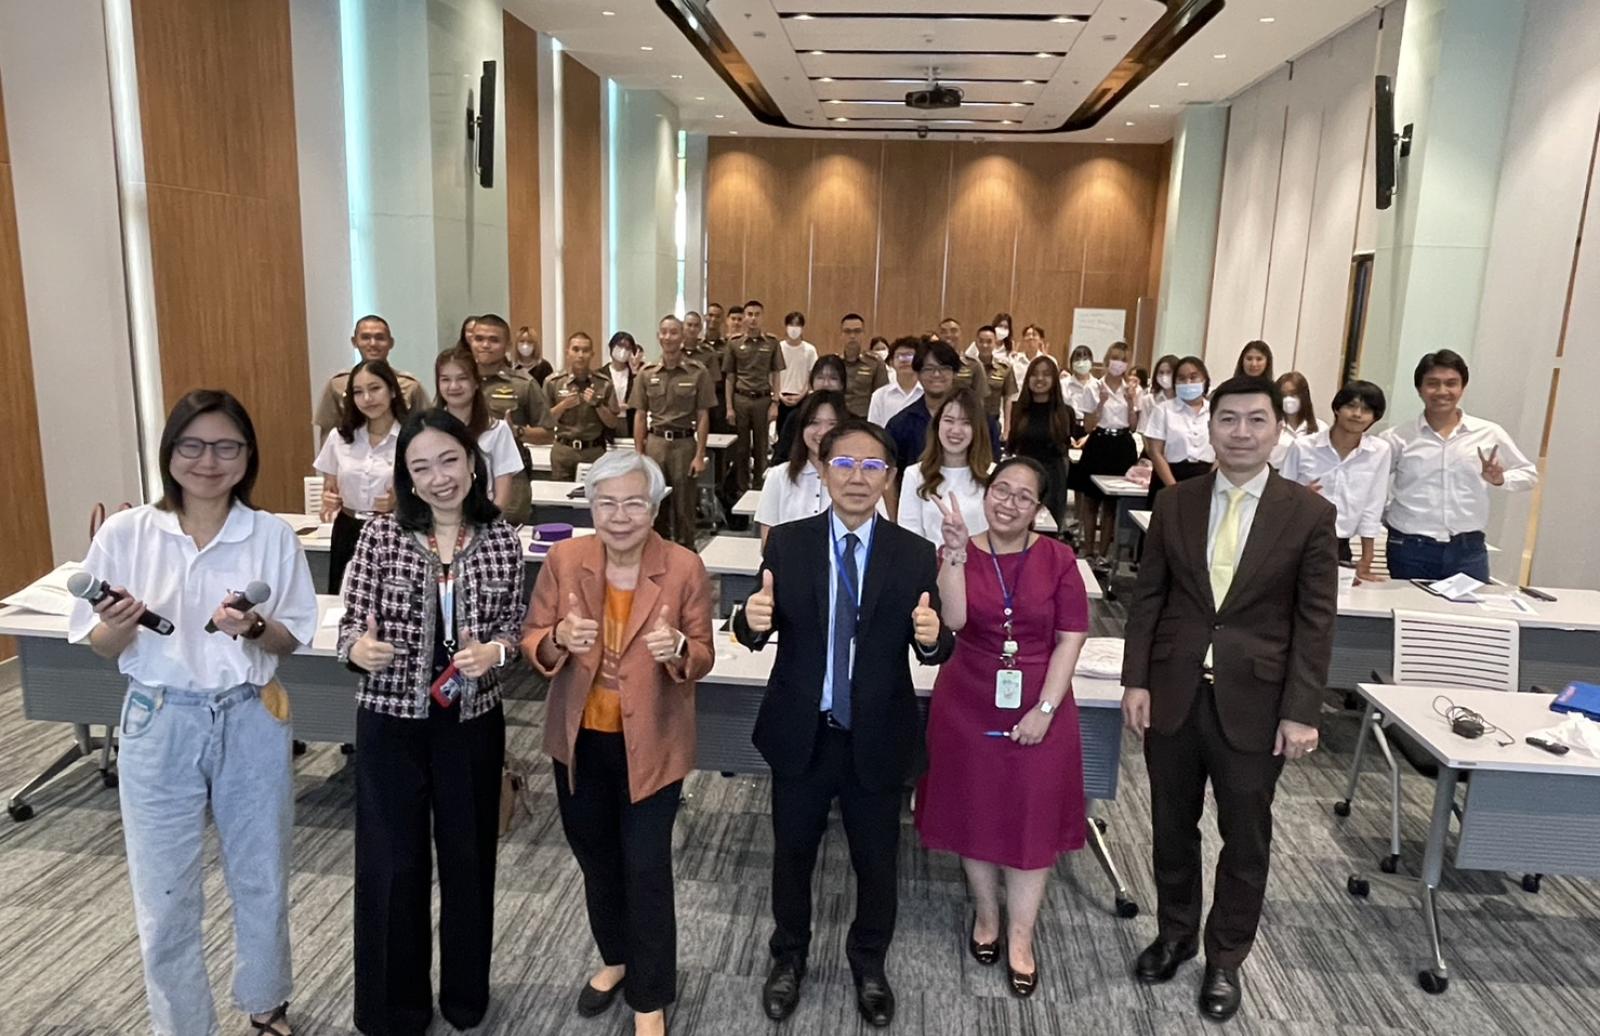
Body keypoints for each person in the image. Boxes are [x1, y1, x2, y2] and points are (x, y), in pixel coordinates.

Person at [69, 390, 317, 1036]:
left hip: (250, 715)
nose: (209, 462)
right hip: (159, 720)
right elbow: (101, 646)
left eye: (226, 447)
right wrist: (120, 624)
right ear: (170, 451)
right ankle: (182, 1026)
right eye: (193, 446)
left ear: (248, 455)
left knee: (261, 872)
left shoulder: (270, 535)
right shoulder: (127, 534)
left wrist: (252, 626)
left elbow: (290, 638)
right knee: (165, 890)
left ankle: (265, 1001)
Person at [1120, 376, 1336, 1024]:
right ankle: (1176, 934)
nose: (1241, 433)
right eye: (1229, 420)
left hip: (1258, 702)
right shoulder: (1175, 503)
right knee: (1170, 827)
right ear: (1210, 428)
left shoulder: (1308, 514)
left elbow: (1315, 621)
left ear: (1278, 430)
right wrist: (1136, 680)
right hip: (1174, 691)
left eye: (1256, 420)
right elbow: (1149, 598)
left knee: (1245, 838)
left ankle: (1225, 957)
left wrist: (1301, 710)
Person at [732, 419, 953, 1029]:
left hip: (876, 733)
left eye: (872, 466)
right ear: (824, 471)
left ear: (889, 478)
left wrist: (932, 640)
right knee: (792, 855)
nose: (858, 477)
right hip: (804, 732)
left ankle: (869, 962)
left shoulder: (912, 552)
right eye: (845, 464)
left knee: (876, 861)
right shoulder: (789, 543)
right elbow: (756, 625)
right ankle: (789, 957)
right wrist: (749, 621)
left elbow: (935, 642)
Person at [338, 409, 526, 1036]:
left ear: (472, 461)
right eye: (421, 467)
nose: (439, 477)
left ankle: (466, 997)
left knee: (469, 860)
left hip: (470, 721)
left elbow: (515, 628)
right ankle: (395, 1008)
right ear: (407, 477)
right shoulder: (381, 535)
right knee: (392, 864)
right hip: (390, 720)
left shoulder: (500, 538)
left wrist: (495, 652)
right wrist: (358, 650)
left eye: (449, 460)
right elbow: (349, 624)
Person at [522, 452, 714, 1036]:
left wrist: (679, 648)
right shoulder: (565, 559)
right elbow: (534, 639)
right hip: (580, 740)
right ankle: (616, 957)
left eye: (634, 503)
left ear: (654, 508)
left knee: (646, 866)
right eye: (607, 503)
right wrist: (557, 638)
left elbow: (703, 654)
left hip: (652, 743)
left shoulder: (682, 567)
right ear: (592, 508)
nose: (621, 516)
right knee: (596, 858)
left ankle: (650, 994)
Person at [916, 456, 1090, 998]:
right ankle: (986, 915)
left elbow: (1071, 637)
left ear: (1039, 509)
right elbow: (955, 621)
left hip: (1040, 698)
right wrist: (953, 553)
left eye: (1023, 496)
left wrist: (1045, 709)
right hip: (967, 700)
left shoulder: (1059, 559)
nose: (1009, 503)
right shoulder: (960, 550)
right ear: (986, 493)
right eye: (1001, 490)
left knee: (1031, 820)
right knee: (975, 812)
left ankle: (1021, 935)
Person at [1381, 349, 1536, 582]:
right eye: (1433, 383)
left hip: (1468, 550)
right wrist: (1388, 515)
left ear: (1463, 387)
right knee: (1410, 606)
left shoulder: (1488, 433)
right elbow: (1371, 482)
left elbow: (1529, 475)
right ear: (1419, 389)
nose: (1442, 391)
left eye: (1451, 383)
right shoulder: (1397, 437)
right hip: (1410, 548)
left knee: (1470, 607)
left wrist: (1500, 479)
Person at [1282, 380, 1391, 581]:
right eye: (1351, 406)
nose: (1357, 414)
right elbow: (1279, 497)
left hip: (1340, 546)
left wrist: (1367, 556)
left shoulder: (1379, 451)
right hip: (1297, 541)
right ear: (1337, 408)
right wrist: (1300, 496)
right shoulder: (1303, 447)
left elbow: (1373, 506)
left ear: (1375, 417)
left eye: (1366, 410)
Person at [315, 359, 407, 592]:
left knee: (391, 598)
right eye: (358, 392)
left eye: (375, 388)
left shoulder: (411, 437)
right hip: (348, 528)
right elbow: (330, 488)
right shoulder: (340, 437)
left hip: (393, 528)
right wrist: (328, 499)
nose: (367, 398)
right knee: (343, 597)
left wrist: (399, 501)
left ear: (392, 390)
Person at [629, 314, 715, 549]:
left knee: (684, 507)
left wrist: (700, 455)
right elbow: (639, 415)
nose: (668, 337)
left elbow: (703, 415)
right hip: (655, 443)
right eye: (664, 332)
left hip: (684, 445)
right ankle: (657, 553)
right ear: (658, 336)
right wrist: (639, 454)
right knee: (656, 505)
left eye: (674, 332)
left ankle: (686, 554)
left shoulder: (697, 372)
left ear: (683, 336)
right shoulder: (646, 373)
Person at [434, 345, 527, 515]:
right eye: (445, 380)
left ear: (476, 382)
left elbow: (502, 495)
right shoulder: (428, 431)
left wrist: (485, 524)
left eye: (462, 378)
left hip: (482, 520)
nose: (453, 386)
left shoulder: (497, 430)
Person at [897, 389, 991, 546]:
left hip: (981, 561)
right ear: (937, 424)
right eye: (949, 420)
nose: (955, 430)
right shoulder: (915, 474)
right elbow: (909, 536)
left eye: (966, 423)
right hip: (931, 561)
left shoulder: (994, 474)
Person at [1078, 341, 1142, 566]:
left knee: (1111, 503)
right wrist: (1100, 404)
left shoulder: (1132, 390)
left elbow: (1133, 426)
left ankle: (1103, 553)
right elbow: (1088, 426)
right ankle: (1088, 550)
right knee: (1091, 500)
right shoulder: (1093, 387)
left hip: (1122, 444)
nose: (1118, 363)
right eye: (1115, 358)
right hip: (1099, 441)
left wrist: (1131, 402)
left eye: (1123, 359)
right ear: (1106, 360)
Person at [314, 315, 429, 438]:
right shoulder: (337, 384)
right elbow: (327, 430)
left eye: (380, 338)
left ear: (391, 343)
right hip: (352, 447)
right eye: (365, 338)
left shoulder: (410, 385)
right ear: (354, 342)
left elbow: (426, 428)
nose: (373, 344)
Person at [756, 390, 847, 545]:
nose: (823, 432)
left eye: (832, 424)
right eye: (814, 422)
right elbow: (768, 543)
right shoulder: (778, 476)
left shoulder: (855, 477)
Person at [723, 299, 785, 499]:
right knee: (741, 449)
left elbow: (776, 374)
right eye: (749, 314)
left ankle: (760, 490)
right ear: (744, 317)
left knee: (761, 447)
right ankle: (742, 490)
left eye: (757, 314)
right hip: (741, 399)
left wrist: (775, 403)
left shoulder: (772, 343)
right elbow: (730, 377)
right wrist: (729, 407)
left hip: (763, 400)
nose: (753, 319)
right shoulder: (734, 343)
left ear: (762, 317)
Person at [543, 331, 624, 481]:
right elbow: (545, 421)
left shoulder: (604, 383)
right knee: (560, 494)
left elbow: (613, 423)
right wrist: (563, 406)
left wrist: (597, 404)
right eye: (575, 350)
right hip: (564, 452)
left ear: (592, 354)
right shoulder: (553, 382)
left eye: (585, 351)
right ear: (567, 352)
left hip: (593, 452)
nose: (580, 355)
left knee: (594, 493)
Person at [1007, 356, 1074, 531]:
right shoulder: (1018, 409)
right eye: (1035, 374)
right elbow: (1012, 445)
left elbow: (1064, 450)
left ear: (1054, 380)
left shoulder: (1065, 412)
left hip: (1053, 479)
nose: (1039, 379)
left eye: (1046, 374)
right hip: (1023, 476)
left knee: (1047, 532)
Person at [471, 313, 553, 453]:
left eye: (494, 340)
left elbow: (548, 435)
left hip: (508, 462)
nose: (485, 345)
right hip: (466, 460)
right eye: (479, 339)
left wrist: (516, 431)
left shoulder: (523, 384)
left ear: (508, 346)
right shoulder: (459, 381)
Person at [1142, 355, 1215, 511]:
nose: (1188, 382)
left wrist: (1212, 483)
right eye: (1181, 378)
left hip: (1206, 479)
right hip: (1169, 476)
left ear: (1204, 380)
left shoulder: (1215, 411)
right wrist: (1173, 488)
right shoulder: (1163, 409)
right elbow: (1155, 452)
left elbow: (1222, 452)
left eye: (1193, 377)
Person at [885, 337, 960, 478]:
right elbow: (891, 475)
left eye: (944, 368)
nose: (936, 374)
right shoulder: (900, 424)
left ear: (955, 373)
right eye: (929, 369)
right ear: (918, 374)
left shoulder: (977, 420)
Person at [772, 354, 846, 462]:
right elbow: (781, 457)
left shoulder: (851, 420)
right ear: (811, 383)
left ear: (842, 384)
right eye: (820, 378)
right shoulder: (796, 417)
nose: (826, 384)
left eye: (833, 378)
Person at [972, 324, 1017, 448]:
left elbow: (1008, 399)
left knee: (993, 457)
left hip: (992, 422)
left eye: (989, 342)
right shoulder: (967, 366)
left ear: (995, 343)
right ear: (976, 342)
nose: (984, 345)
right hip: (970, 421)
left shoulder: (1004, 368)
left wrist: (1007, 429)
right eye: (981, 341)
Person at [866, 336, 924, 426]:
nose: (904, 361)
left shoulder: (928, 394)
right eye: (899, 356)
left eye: (909, 356)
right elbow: (874, 429)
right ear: (891, 362)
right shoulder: (879, 396)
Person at [776, 310, 819, 432]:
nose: (794, 328)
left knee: (799, 432)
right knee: (782, 433)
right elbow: (772, 374)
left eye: (798, 325)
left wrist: (801, 396)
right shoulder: (778, 348)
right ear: (786, 326)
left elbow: (812, 376)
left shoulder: (810, 350)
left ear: (802, 328)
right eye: (791, 324)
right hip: (781, 398)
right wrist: (779, 395)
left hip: (802, 398)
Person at [839, 312, 888, 418]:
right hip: (839, 419)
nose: (852, 336)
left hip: (865, 419)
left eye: (857, 331)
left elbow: (882, 396)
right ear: (841, 335)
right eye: (847, 331)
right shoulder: (834, 362)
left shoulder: (875, 363)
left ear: (863, 334)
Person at [598, 331, 642, 439]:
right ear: (612, 346)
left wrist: (630, 405)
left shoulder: (635, 377)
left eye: (628, 348)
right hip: (604, 423)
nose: (623, 350)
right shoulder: (600, 375)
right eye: (620, 345)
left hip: (628, 422)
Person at [1270, 371, 1318, 467]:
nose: (1288, 400)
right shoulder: (1270, 427)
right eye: (1283, 395)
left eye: (1292, 394)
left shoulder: (1321, 429)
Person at [1138, 353, 1181, 435]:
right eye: (1161, 372)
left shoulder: (1185, 400)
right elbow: (1142, 429)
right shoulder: (1149, 400)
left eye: (1169, 372)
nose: (1164, 376)